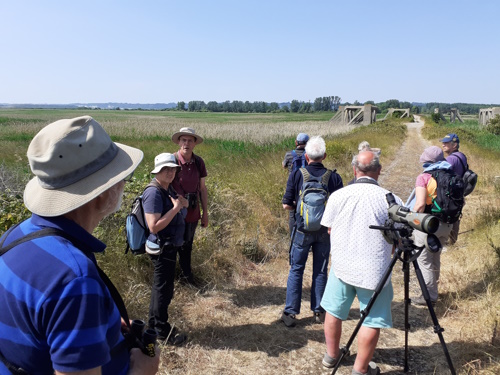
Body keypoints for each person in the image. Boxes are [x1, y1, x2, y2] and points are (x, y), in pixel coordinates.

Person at [0, 116, 159, 375]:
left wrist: (100, 323)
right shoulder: (75, 279)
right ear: (101, 195)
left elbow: (36, 322)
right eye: (118, 179)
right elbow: (64, 295)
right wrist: (144, 370)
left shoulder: (13, 237)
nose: (122, 186)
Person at [319, 150, 402, 375]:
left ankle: (331, 356)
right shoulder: (391, 199)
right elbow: (400, 236)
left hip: (342, 264)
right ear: (379, 170)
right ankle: (360, 369)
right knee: (372, 319)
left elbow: (328, 227)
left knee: (334, 311)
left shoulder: (338, 195)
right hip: (375, 269)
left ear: (354, 170)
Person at [281, 136, 343, 327]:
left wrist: (301, 211)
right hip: (324, 231)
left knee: (297, 269)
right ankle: (319, 311)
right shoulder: (333, 177)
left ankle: (291, 313)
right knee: (320, 270)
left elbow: (286, 205)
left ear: (306, 156)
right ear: (324, 156)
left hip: (301, 230)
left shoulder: (298, 174)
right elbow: (340, 206)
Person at [143, 153, 189, 345]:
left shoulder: (167, 188)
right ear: (157, 171)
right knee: (163, 289)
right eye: (165, 169)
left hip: (168, 246)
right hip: (161, 248)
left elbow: (179, 207)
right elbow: (153, 226)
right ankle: (161, 331)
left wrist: (182, 205)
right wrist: (176, 208)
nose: (170, 172)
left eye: (173, 169)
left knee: (162, 288)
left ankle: (154, 325)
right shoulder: (153, 192)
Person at [409, 146, 453, 306]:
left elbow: (420, 204)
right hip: (446, 224)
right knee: (435, 257)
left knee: (424, 260)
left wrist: (410, 219)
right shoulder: (451, 174)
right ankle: (434, 291)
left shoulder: (424, 177)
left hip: (428, 225)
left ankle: (428, 296)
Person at [171, 127, 208, 286]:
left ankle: (187, 279)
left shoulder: (198, 162)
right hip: (173, 213)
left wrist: (205, 212)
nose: (186, 143)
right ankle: (171, 281)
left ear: (194, 144)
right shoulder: (171, 160)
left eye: (190, 141)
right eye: (183, 140)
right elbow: (162, 186)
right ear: (179, 142)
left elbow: (203, 188)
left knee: (187, 246)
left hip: (193, 212)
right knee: (172, 247)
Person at [440, 133, 467, 245]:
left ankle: (444, 241)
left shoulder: (450, 159)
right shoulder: (461, 156)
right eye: (443, 142)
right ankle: (453, 241)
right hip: (459, 192)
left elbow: (441, 176)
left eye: (446, 143)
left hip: (450, 193)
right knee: (456, 216)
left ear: (454, 145)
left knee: (447, 216)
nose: (443, 145)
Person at [282, 133, 310, 233]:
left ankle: (293, 236)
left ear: (296, 142)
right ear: (308, 143)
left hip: (292, 186)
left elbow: (284, 166)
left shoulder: (289, 154)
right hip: (307, 184)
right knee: (307, 209)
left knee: (292, 213)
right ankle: (307, 233)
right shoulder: (309, 154)